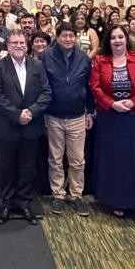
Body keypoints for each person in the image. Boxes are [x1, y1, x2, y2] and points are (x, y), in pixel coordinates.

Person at [89, 24, 135, 229]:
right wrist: (111, 103)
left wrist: (134, 102)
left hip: (134, 116)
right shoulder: (100, 60)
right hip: (110, 117)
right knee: (114, 160)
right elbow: (95, 86)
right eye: (113, 38)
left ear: (127, 39)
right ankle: (117, 201)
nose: (117, 41)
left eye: (121, 37)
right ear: (108, 41)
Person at [0, 29, 51, 225]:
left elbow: (46, 93)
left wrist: (31, 112)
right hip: (7, 125)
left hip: (31, 126)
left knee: (27, 166)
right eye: (14, 42)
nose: (18, 45)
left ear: (27, 45)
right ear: (7, 45)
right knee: (7, 166)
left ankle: (24, 202)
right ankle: (7, 203)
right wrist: (17, 115)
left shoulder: (38, 65)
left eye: (22, 42)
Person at [40, 22, 94, 216]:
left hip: (77, 116)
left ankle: (77, 195)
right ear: (58, 36)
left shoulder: (84, 58)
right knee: (55, 158)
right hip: (53, 115)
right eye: (65, 36)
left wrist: (90, 111)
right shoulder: (45, 56)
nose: (69, 39)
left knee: (77, 160)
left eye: (72, 36)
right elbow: (41, 86)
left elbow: (89, 88)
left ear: (76, 37)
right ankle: (58, 194)